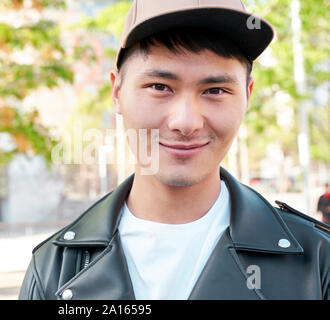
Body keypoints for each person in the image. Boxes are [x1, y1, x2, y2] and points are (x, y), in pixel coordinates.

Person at [19, 0, 329, 300]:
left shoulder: (317, 262)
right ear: (117, 92)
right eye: (159, 87)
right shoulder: (54, 270)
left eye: (215, 90)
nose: (186, 122)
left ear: (247, 96)